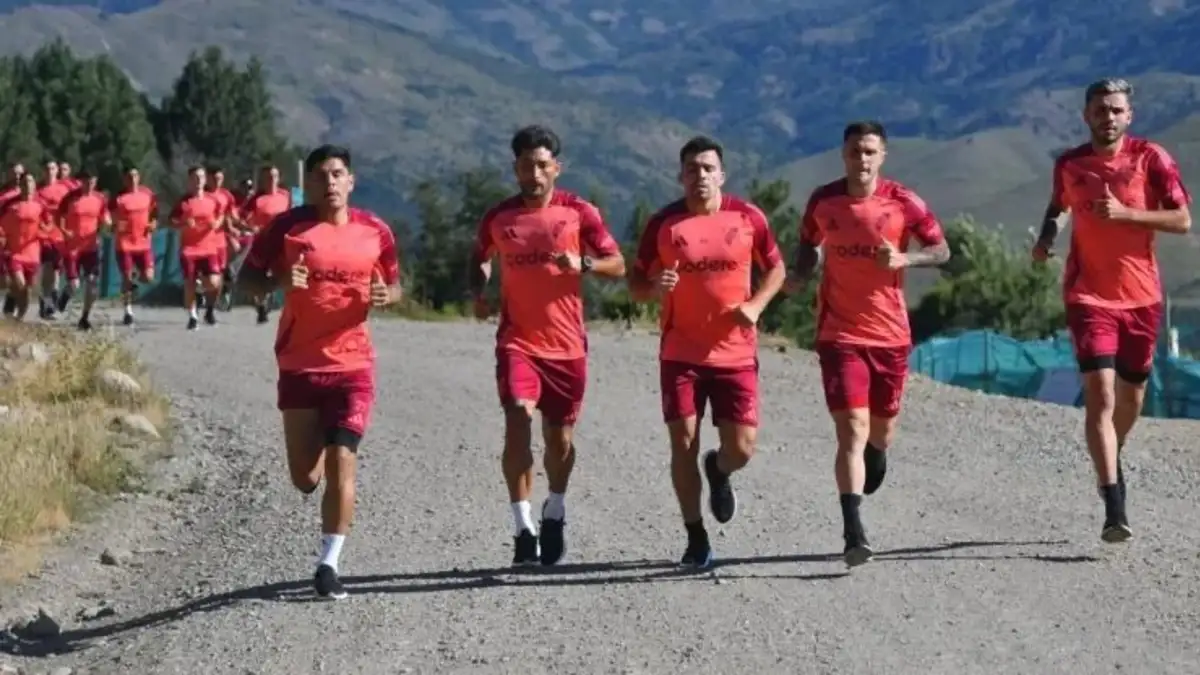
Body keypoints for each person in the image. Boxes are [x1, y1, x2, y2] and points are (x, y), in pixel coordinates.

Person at [237, 144, 401, 600]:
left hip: (353, 364)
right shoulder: (285, 229)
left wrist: (387, 296)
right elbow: (245, 282)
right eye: (321, 175)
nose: (330, 182)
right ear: (307, 184)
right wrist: (278, 283)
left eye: (337, 174)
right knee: (305, 477)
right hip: (300, 364)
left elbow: (395, 284)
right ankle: (319, 502)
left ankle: (329, 564)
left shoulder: (376, 231)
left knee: (342, 458)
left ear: (351, 181)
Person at [1032, 78, 1192, 543]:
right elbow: (1058, 206)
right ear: (1086, 115)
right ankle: (1113, 504)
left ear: (1129, 116)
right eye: (1100, 110)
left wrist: (1126, 214)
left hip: (1141, 297)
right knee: (1100, 394)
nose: (1109, 117)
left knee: (1131, 398)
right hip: (1088, 295)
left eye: (1116, 110)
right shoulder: (1070, 164)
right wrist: (1046, 238)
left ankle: (1111, 452)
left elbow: (1182, 219)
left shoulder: (1151, 159)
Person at [785, 121, 950, 567]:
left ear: (883, 156)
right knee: (852, 429)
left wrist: (904, 258)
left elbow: (942, 250)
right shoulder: (824, 200)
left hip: (890, 334)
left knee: (880, 431)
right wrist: (800, 275)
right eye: (855, 151)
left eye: (870, 152)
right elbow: (808, 242)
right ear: (844, 153)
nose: (862, 159)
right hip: (839, 332)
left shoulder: (904, 201)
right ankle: (853, 530)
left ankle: (878, 453)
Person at [467, 125, 625, 567]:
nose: (533, 174)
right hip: (517, 341)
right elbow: (480, 256)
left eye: (541, 165)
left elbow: (618, 263)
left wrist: (583, 263)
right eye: (525, 165)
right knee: (518, 417)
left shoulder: (579, 212)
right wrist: (478, 291)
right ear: (515, 168)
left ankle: (554, 509)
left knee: (559, 442)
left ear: (557, 167)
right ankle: (523, 527)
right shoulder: (499, 217)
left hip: (567, 347)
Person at [628, 135, 785, 569]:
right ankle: (695, 537)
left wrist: (756, 305)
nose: (700, 176)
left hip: (735, 354)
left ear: (722, 175)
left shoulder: (747, 216)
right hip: (681, 353)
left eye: (707, 168)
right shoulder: (663, 224)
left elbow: (776, 268)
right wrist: (654, 287)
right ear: (681, 177)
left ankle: (719, 469)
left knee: (743, 449)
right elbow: (636, 284)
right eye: (692, 169)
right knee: (682, 441)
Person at [169, 165, 224, 330]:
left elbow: (221, 215)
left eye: (201, 177)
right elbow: (172, 221)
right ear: (189, 181)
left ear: (205, 180)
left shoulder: (212, 200)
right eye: (195, 178)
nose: (199, 180)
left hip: (209, 248)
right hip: (189, 249)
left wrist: (216, 223)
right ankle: (193, 316)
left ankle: (206, 302)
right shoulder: (184, 202)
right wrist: (183, 223)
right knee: (189, 283)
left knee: (214, 283)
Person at [235, 164, 292, 323]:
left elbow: (292, 214)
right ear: (262, 180)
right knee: (254, 279)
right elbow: (240, 218)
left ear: (278, 178)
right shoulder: (256, 199)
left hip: (282, 242)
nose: (271, 180)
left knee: (284, 273)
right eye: (267, 177)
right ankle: (261, 306)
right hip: (262, 243)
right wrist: (251, 227)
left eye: (274, 176)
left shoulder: (285, 196)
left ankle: (283, 303)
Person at [56, 171, 111, 330]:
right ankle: (66, 294)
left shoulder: (100, 199)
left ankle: (84, 317)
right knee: (75, 285)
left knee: (92, 283)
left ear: (96, 182)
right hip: (72, 248)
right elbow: (59, 216)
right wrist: (64, 231)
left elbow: (105, 216)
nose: (89, 185)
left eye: (92, 182)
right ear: (81, 182)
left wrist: (107, 223)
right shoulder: (70, 198)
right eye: (87, 182)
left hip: (90, 248)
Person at [110, 167, 159, 326]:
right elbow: (109, 219)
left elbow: (155, 213)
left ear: (139, 177)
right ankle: (128, 311)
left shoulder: (148, 194)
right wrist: (116, 225)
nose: (133, 179)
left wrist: (153, 224)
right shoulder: (118, 198)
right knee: (126, 277)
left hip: (143, 243)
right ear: (124, 179)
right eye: (129, 176)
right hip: (125, 244)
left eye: (135, 175)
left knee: (149, 277)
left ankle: (135, 280)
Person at [0, 173, 52, 321]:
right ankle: (12, 305)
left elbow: (49, 224)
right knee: (20, 285)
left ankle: (19, 319)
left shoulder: (41, 205)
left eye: (30, 182)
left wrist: (45, 230)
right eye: (25, 182)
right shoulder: (10, 205)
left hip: (33, 253)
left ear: (34, 185)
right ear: (20, 186)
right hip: (14, 252)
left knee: (27, 290)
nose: (28, 185)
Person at [36, 161, 71, 320]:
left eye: (52, 168)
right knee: (47, 267)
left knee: (56, 267)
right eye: (47, 168)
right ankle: (47, 301)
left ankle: (52, 296)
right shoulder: (37, 190)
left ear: (57, 171)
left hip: (59, 234)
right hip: (42, 234)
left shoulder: (64, 189)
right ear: (43, 171)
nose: (50, 171)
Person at [1, 163, 25, 316]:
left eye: (20, 174)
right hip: (3, 241)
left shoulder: (29, 194)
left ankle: (11, 303)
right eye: (14, 173)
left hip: (22, 243)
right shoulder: (3, 195)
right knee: (5, 280)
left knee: (19, 279)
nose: (17, 177)